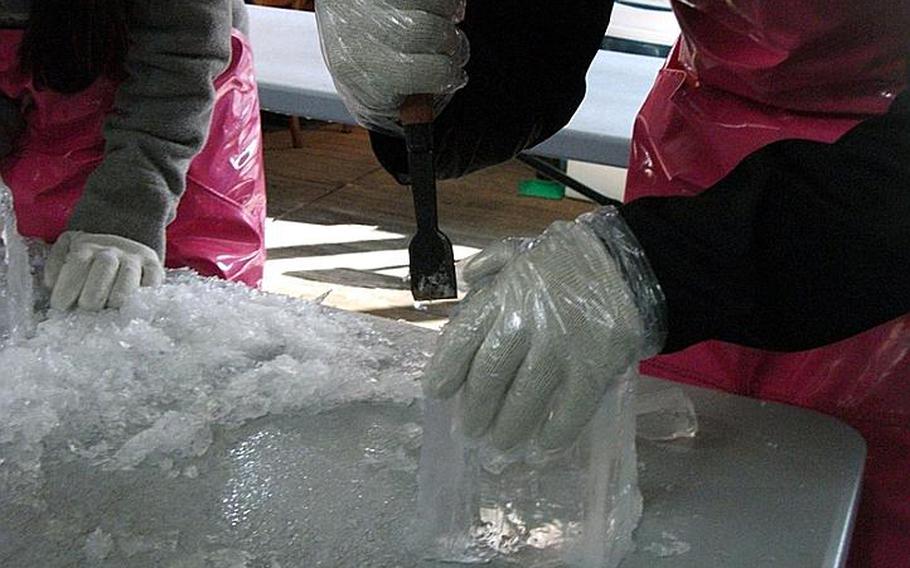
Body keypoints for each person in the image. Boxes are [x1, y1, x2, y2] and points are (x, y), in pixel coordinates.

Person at [315, 0, 910, 565]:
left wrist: (660, 265)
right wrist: (427, 74)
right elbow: (539, 37)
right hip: (700, 159)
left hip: (878, 202)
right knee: (690, 488)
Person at [0, 0, 266, 311]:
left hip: (169, 120)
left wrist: (126, 215)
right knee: (39, 287)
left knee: (157, 304)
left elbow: (178, 65)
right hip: (44, 107)